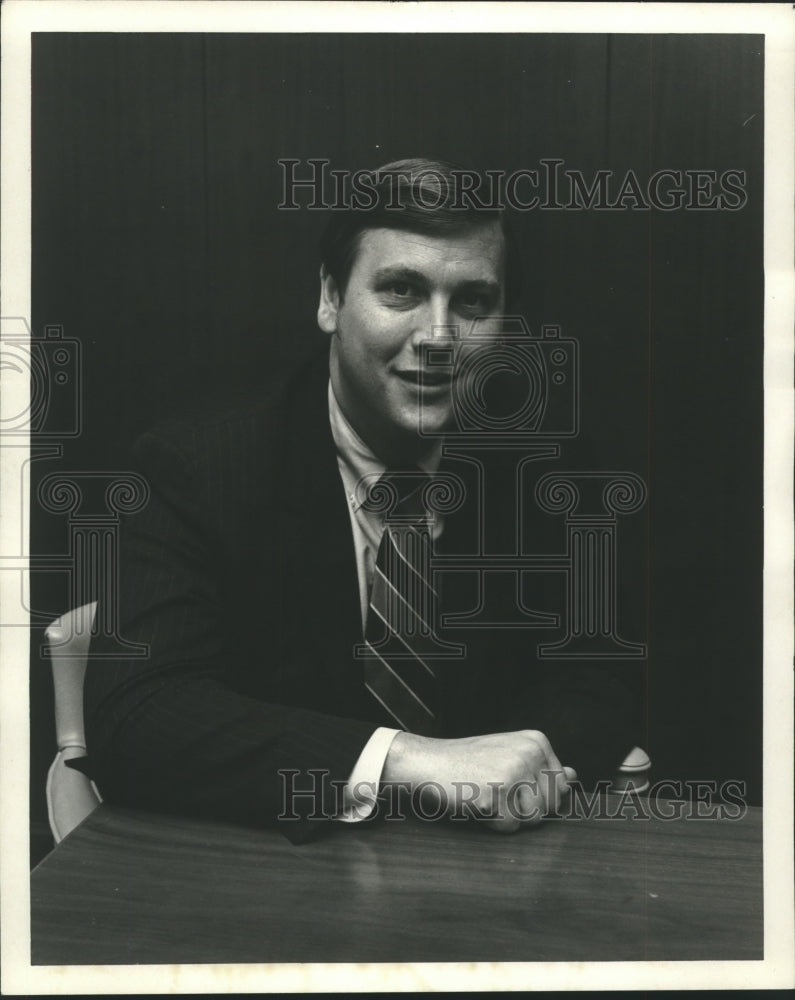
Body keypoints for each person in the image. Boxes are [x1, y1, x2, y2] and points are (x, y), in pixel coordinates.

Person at [82, 159, 643, 842]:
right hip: (270, 875)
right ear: (329, 298)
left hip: (490, 866)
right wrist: (408, 762)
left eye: (471, 302)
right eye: (401, 290)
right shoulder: (194, 469)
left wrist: (525, 767)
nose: (438, 338)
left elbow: (598, 672)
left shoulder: (544, 463)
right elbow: (139, 716)